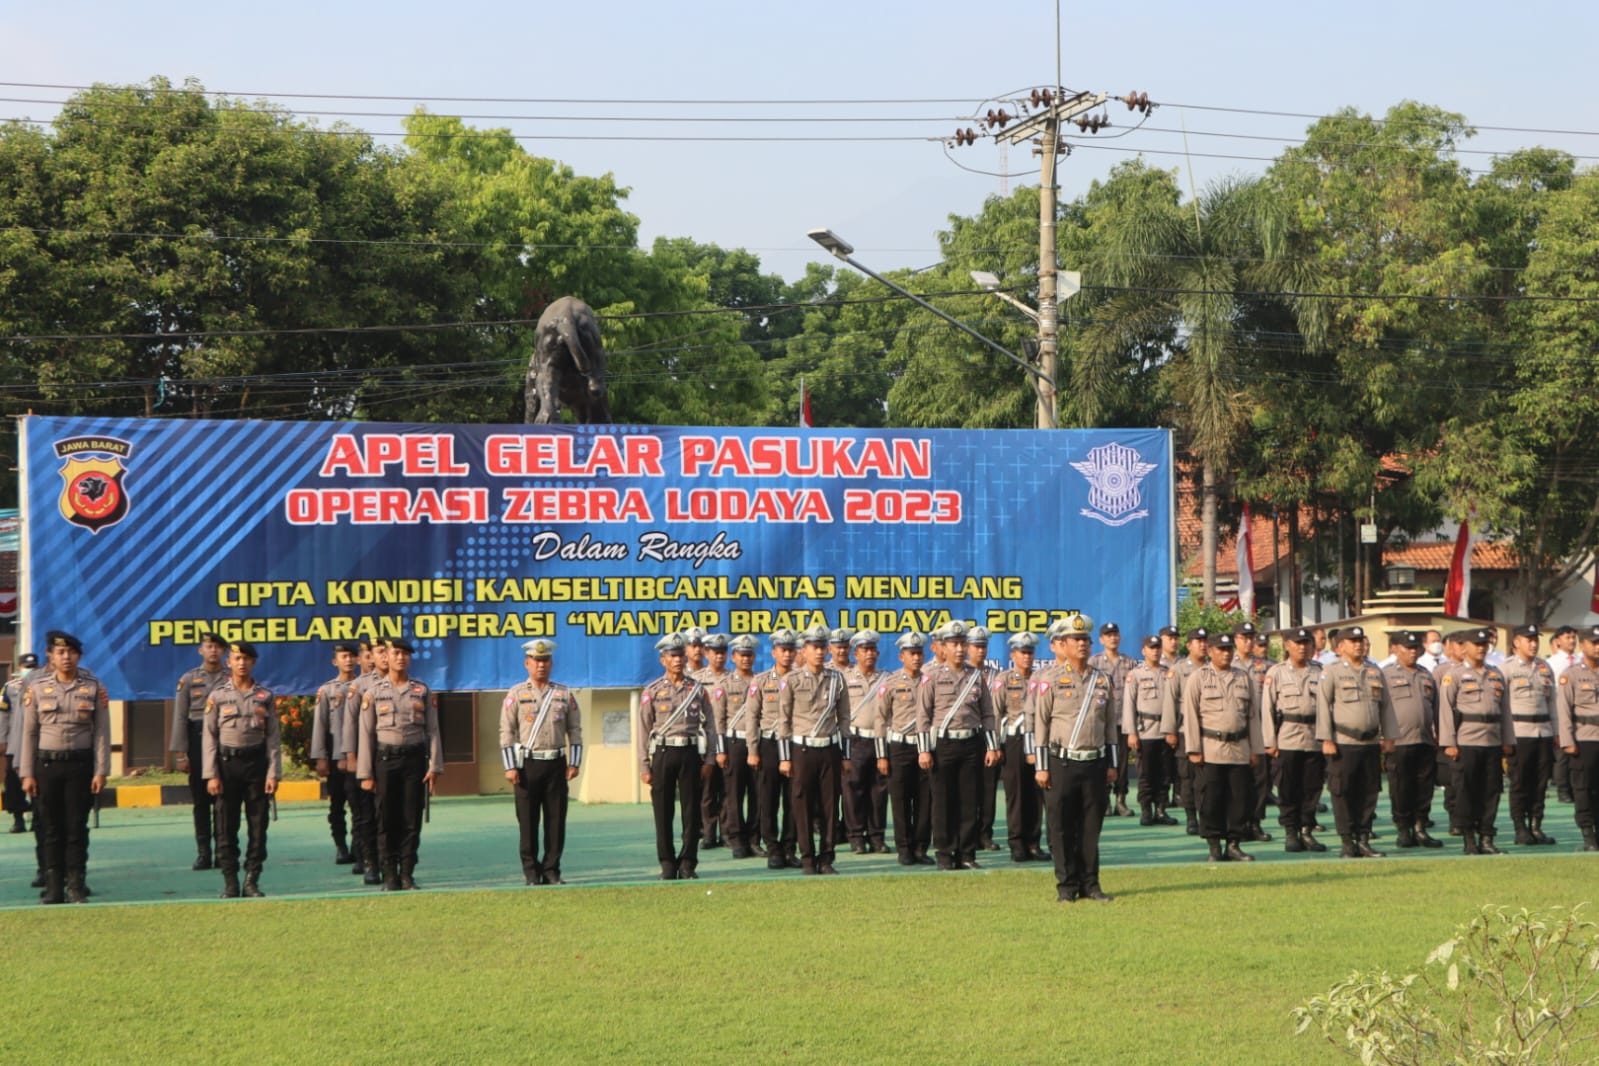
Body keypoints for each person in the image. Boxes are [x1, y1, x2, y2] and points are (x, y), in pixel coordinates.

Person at [19, 632, 109, 904]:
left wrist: (101, 770)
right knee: (50, 827)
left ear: (79, 656)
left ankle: (76, 884)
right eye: (60, 653)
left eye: (71, 652)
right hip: (46, 766)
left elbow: (102, 732)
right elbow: (29, 733)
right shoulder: (37, 688)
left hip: (80, 766)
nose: (66, 657)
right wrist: (27, 773)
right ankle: (54, 886)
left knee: (76, 827)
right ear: (50, 656)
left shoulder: (93, 687)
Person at [1033, 613, 1117, 902]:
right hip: (1062, 763)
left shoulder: (1102, 679)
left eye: (1085, 639)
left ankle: (1091, 885)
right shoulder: (1050, 679)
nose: (1082, 644)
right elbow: (1040, 725)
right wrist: (1042, 767)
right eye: (1076, 639)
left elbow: (1110, 726)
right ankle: (1067, 887)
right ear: (1063, 644)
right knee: (1061, 827)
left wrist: (1113, 764)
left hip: (1094, 762)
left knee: (1091, 827)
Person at [356, 637, 442, 890]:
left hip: (414, 760)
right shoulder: (373, 693)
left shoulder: (421, 691)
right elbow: (365, 734)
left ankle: (407, 872)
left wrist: (434, 766)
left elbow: (434, 730)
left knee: (410, 818)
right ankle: (390, 873)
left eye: (405, 654)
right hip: (385, 760)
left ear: (409, 658)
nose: (400, 658)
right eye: (395, 653)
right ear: (387, 657)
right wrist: (365, 773)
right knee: (386, 819)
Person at [916, 620, 1000, 870]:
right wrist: (923, 750)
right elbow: (923, 715)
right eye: (954, 644)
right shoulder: (931, 676)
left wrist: (992, 746)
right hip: (943, 745)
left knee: (969, 801)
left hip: (971, 745)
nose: (960, 649)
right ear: (943, 647)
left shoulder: (976, 676)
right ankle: (945, 853)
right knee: (942, 802)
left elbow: (987, 713)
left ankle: (967, 854)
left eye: (963, 643)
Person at [201, 641, 280, 899]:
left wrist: (273, 773)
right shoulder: (218, 696)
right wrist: (211, 774)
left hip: (256, 766)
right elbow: (209, 738)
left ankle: (251, 880)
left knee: (258, 827)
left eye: (246, 658)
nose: (242, 663)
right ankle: (230, 882)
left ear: (253, 662)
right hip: (226, 767)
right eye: (237, 658)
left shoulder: (265, 696)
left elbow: (273, 739)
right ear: (229, 662)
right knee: (226, 826)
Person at [499, 637, 581, 885]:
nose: (541, 665)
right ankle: (531, 872)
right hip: (527, 765)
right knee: (528, 821)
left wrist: (574, 762)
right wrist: (510, 766)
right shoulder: (516, 694)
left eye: (545, 660)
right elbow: (506, 731)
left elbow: (575, 729)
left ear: (551, 663)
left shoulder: (563, 693)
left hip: (556, 762)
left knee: (556, 821)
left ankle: (552, 870)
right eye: (536, 660)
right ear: (527, 663)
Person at [771, 624, 849, 875]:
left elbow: (844, 719)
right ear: (803, 650)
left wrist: (845, 754)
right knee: (801, 805)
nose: (819, 652)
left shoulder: (837, 679)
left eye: (822, 647)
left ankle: (826, 858)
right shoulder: (791, 680)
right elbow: (783, 721)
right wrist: (785, 758)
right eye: (814, 647)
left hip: (829, 749)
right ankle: (807, 858)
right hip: (802, 750)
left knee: (829, 806)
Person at [1314, 626, 1396, 859]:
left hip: (1370, 743)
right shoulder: (1331, 671)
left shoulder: (1374, 671)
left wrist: (1389, 736)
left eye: (1360, 640)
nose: (1358, 645)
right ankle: (1348, 841)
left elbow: (1386, 707)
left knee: (1369, 792)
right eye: (1352, 641)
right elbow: (1323, 705)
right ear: (1340, 647)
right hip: (1343, 742)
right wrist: (1326, 738)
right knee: (1343, 792)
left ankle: (1363, 838)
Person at [641, 633, 719, 880]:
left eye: (679, 655)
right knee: (662, 811)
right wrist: (644, 765)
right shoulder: (652, 691)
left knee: (691, 811)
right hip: (663, 752)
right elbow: (643, 729)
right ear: (663, 659)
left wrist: (708, 759)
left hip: (689, 752)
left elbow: (711, 726)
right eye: (672, 656)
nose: (677, 660)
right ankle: (666, 863)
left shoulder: (697, 689)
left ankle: (688, 863)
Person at [1183, 632, 1262, 862]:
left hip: (1239, 748)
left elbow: (1253, 717)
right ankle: (1214, 845)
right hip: (1211, 748)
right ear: (1211, 651)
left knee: (1239, 799)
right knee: (1211, 799)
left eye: (1229, 649)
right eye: (1221, 649)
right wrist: (1193, 748)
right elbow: (1190, 715)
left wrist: (1256, 748)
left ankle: (1234, 844)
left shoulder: (1243, 677)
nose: (1226, 653)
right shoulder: (1199, 678)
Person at [1437, 627, 1515, 855]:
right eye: (1476, 644)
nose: (1481, 648)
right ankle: (1469, 838)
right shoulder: (1455, 675)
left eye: (1484, 644)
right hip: (1466, 741)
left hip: (1492, 741)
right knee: (1466, 791)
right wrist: (1449, 742)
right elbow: (1445, 710)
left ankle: (1487, 836)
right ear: (1464, 648)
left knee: (1491, 791)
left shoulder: (1495, 674)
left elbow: (1505, 710)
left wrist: (1508, 739)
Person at [167, 633, 229, 871]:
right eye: (209, 646)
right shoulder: (189, 679)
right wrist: (181, 754)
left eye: (218, 647)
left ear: (224, 652)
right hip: (196, 739)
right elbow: (180, 717)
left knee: (223, 800)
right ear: (200, 650)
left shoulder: (231, 678)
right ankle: (204, 853)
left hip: (225, 741)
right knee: (201, 801)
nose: (213, 651)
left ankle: (224, 852)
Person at [1261, 627, 1326, 853]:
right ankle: (1291, 831)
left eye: (1306, 642)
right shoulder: (1276, 673)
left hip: (1314, 737)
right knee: (1288, 789)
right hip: (1287, 736)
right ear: (1287, 645)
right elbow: (1267, 709)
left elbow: (1329, 708)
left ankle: (1307, 830)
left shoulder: (1320, 672)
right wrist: (1270, 742)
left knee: (1312, 789)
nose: (1302, 647)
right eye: (1297, 643)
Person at [875, 631, 933, 865]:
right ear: (901, 656)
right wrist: (882, 755)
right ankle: (904, 849)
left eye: (919, 653)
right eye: (912, 653)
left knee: (925, 800)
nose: (916, 658)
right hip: (899, 746)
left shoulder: (931, 681)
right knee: (900, 800)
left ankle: (920, 847)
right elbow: (880, 719)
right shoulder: (890, 683)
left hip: (926, 748)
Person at [742, 629, 799, 869]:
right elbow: (751, 717)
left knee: (794, 799)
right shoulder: (761, 681)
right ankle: (773, 848)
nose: (786, 654)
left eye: (790, 650)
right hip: (769, 744)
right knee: (768, 798)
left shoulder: (801, 679)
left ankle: (789, 848)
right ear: (774, 652)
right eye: (782, 650)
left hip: (795, 744)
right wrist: (752, 750)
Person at [1381, 631, 1443, 848]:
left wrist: (1439, 735)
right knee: (1401, 787)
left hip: (1424, 739)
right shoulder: (1386, 674)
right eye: (1407, 647)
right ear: (1395, 649)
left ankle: (1420, 827)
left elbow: (1435, 707)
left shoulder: (1426, 674)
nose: (1412, 651)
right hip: (1399, 740)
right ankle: (1403, 829)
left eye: (1415, 647)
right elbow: (1380, 707)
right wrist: (1383, 735)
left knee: (1424, 787)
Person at [1501, 624, 1558, 846]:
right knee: (1520, 782)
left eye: (1536, 639)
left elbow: (1552, 701)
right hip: (1519, 732)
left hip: (1543, 731)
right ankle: (1520, 827)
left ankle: (1536, 825)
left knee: (1541, 782)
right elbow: (1502, 705)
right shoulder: (1506, 668)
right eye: (1529, 639)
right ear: (1516, 642)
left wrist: (1556, 732)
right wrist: (1505, 736)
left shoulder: (1545, 667)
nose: (1534, 644)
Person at [995, 632, 1049, 860]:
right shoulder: (1004, 679)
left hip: (1038, 741)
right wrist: (996, 745)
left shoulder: (1042, 678)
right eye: (1022, 652)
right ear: (1013, 654)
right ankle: (1017, 843)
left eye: (1030, 652)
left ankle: (1034, 843)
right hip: (1014, 741)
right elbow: (996, 713)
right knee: (1017, 794)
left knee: (1038, 793)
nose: (1027, 657)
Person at [309, 642, 360, 866]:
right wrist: (320, 756)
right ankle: (341, 846)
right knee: (337, 804)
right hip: (334, 754)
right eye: (343, 656)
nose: (348, 660)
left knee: (360, 805)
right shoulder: (327, 690)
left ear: (358, 660)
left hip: (360, 755)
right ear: (335, 661)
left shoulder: (365, 686)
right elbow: (319, 726)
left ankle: (359, 847)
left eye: (351, 656)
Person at [1159, 627, 1211, 835]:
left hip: (1209, 730)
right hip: (1184, 731)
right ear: (1189, 645)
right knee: (1187, 777)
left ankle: (1207, 815)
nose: (1203, 644)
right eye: (1198, 641)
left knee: (1208, 778)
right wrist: (1169, 730)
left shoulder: (1212, 667)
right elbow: (1170, 702)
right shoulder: (1179, 670)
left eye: (1205, 641)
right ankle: (1191, 817)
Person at [842, 629, 889, 855]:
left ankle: (877, 837)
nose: (869, 654)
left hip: (879, 740)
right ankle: (856, 837)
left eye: (872, 649)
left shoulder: (887, 679)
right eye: (864, 650)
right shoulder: (844, 678)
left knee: (879, 792)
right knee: (854, 791)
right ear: (855, 653)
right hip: (855, 740)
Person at [341, 639, 384, 885]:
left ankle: (391, 860)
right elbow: (349, 725)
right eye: (377, 653)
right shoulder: (359, 686)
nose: (383, 657)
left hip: (392, 756)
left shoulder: (407, 685)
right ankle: (370, 862)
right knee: (366, 814)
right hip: (366, 758)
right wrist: (351, 758)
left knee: (390, 814)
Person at [715, 635, 761, 858]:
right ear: (733, 657)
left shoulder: (761, 681)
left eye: (749, 654)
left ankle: (754, 839)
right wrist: (721, 750)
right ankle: (736, 839)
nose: (746, 658)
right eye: (742, 655)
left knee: (757, 794)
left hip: (758, 743)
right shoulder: (724, 685)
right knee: (734, 794)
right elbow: (719, 721)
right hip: (734, 743)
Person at [1124, 635, 1176, 827]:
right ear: (1143, 651)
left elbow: (1175, 703)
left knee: (1164, 774)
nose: (1155, 651)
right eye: (1151, 648)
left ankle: (1161, 810)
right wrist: (1131, 732)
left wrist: (1174, 729)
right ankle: (1146, 810)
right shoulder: (1136, 674)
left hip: (1165, 730)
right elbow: (1128, 705)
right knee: (1146, 774)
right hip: (1145, 730)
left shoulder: (1168, 673)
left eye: (1157, 647)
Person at [1555, 625, 1599, 850]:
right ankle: (1588, 833)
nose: (1598, 647)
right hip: (1584, 738)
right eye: (1594, 642)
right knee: (1583, 789)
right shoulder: (1570, 675)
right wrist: (1568, 741)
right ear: (1583, 645)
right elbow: (1563, 710)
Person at [1089, 622, 1137, 818]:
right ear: (1101, 639)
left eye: (1115, 634)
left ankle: (1121, 800)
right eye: (1108, 635)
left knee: (1123, 764)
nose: (1113, 638)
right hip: (1102, 723)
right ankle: (1105, 801)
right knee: (1103, 763)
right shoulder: (1094, 663)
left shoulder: (1129, 663)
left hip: (1123, 722)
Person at [1233, 623, 1274, 843]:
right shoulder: (1227, 664)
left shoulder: (1267, 666)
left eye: (1251, 638)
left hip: (1260, 729)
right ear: (1235, 640)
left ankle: (1256, 823)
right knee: (1238, 781)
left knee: (1260, 780)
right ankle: (1238, 824)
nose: (1248, 642)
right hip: (1236, 730)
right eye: (1244, 638)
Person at [692, 633, 731, 850]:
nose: (719, 656)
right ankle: (708, 834)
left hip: (727, 740)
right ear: (707, 653)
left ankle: (727, 833)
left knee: (726, 790)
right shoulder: (697, 680)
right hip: (705, 741)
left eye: (722, 652)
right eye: (715, 652)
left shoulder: (732, 678)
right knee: (706, 791)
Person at [967, 625, 1004, 848]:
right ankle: (968, 833)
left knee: (988, 789)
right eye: (976, 646)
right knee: (966, 789)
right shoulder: (962, 674)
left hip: (991, 739)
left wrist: (996, 743)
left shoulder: (996, 676)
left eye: (983, 646)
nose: (980, 651)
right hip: (968, 736)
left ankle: (985, 834)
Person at [1, 652, 40, 834]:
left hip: (39, 743)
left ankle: (39, 819)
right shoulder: (9, 688)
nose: (29, 671)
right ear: (19, 668)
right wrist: (2, 739)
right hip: (15, 743)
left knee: (40, 782)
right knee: (13, 784)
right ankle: (18, 819)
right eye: (26, 667)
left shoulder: (45, 686)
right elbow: (3, 715)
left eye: (32, 668)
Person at [1549, 624, 1579, 803]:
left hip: (1580, 712)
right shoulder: (1552, 663)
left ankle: (1576, 787)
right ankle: (1563, 789)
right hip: (1560, 711)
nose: (1571, 641)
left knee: (1578, 751)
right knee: (1562, 753)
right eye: (1568, 638)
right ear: (1558, 640)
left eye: (1573, 637)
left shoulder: (1580, 661)